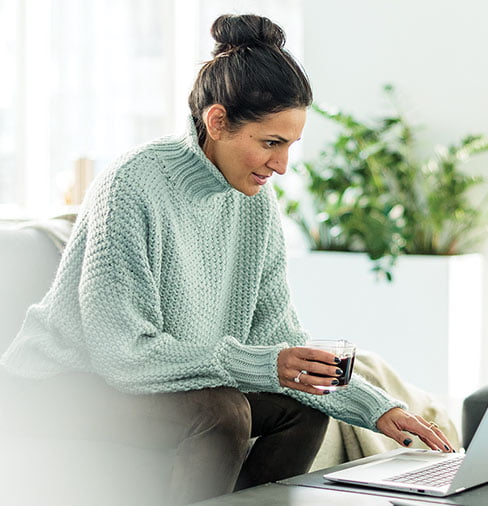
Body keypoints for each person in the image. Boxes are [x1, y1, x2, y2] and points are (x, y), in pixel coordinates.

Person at [0, 13, 452, 505]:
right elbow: (124, 357)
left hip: (153, 381)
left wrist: (377, 407)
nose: (281, 166)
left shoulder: (256, 203)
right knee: (224, 412)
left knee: (306, 408)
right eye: (270, 143)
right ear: (217, 122)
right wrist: (261, 364)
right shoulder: (133, 184)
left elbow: (278, 339)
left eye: (290, 146)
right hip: (61, 385)